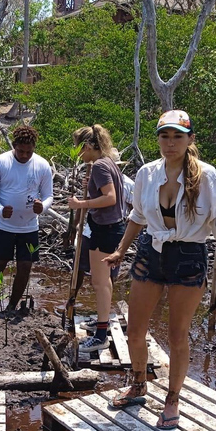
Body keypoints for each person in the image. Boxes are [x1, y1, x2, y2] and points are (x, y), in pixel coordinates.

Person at [102, 110, 216, 430]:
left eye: (178, 136)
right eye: (165, 136)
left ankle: (173, 400)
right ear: (159, 139)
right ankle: (138, 385)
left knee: (178, 335)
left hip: (189, 255)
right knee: (135, 331)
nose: (170, 142)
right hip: (151, 251)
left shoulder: (207, 176)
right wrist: (121, 250)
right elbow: (137, 216)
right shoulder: (147, 173)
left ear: (190, 139)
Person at [67, 125, 128, 353]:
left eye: (79, 148)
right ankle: (102, 321)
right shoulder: (107, 163)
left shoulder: (101, 165)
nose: (78, 153)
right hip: (109, 227)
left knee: (100, 283)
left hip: (106, 230)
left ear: (89, 145)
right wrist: (90, 188)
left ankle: (101, 335)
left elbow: (110, 198)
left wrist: (81, 204)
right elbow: (107, 192)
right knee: (104, 281)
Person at [0, 125, 54, 311]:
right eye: (20, 151)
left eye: (28, 152)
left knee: (25, 267)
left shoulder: (42, 165)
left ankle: (12, 307)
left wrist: (42, 206)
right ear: (14, 145)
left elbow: (49, 196)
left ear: (34, 148)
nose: (24, 156)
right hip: (4, 226)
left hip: (29, 227)